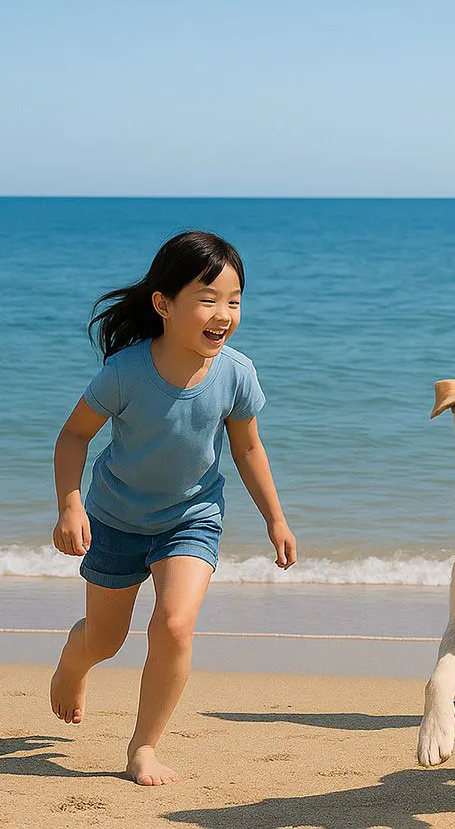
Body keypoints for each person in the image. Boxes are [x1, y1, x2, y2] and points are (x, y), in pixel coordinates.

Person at [49, 230, 297, 784]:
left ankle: (143, 747)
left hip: (192, 517)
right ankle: (75, 654)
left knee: (175, 624)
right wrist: (71, 506)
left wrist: (275, 517)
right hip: (114, 519)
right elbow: (72, 438)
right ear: (163, 304)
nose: (224, 314)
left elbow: (247, 446)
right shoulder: (125, 372)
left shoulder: (236, 372)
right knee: (105, 640)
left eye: (234, 301)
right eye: (208, 298)